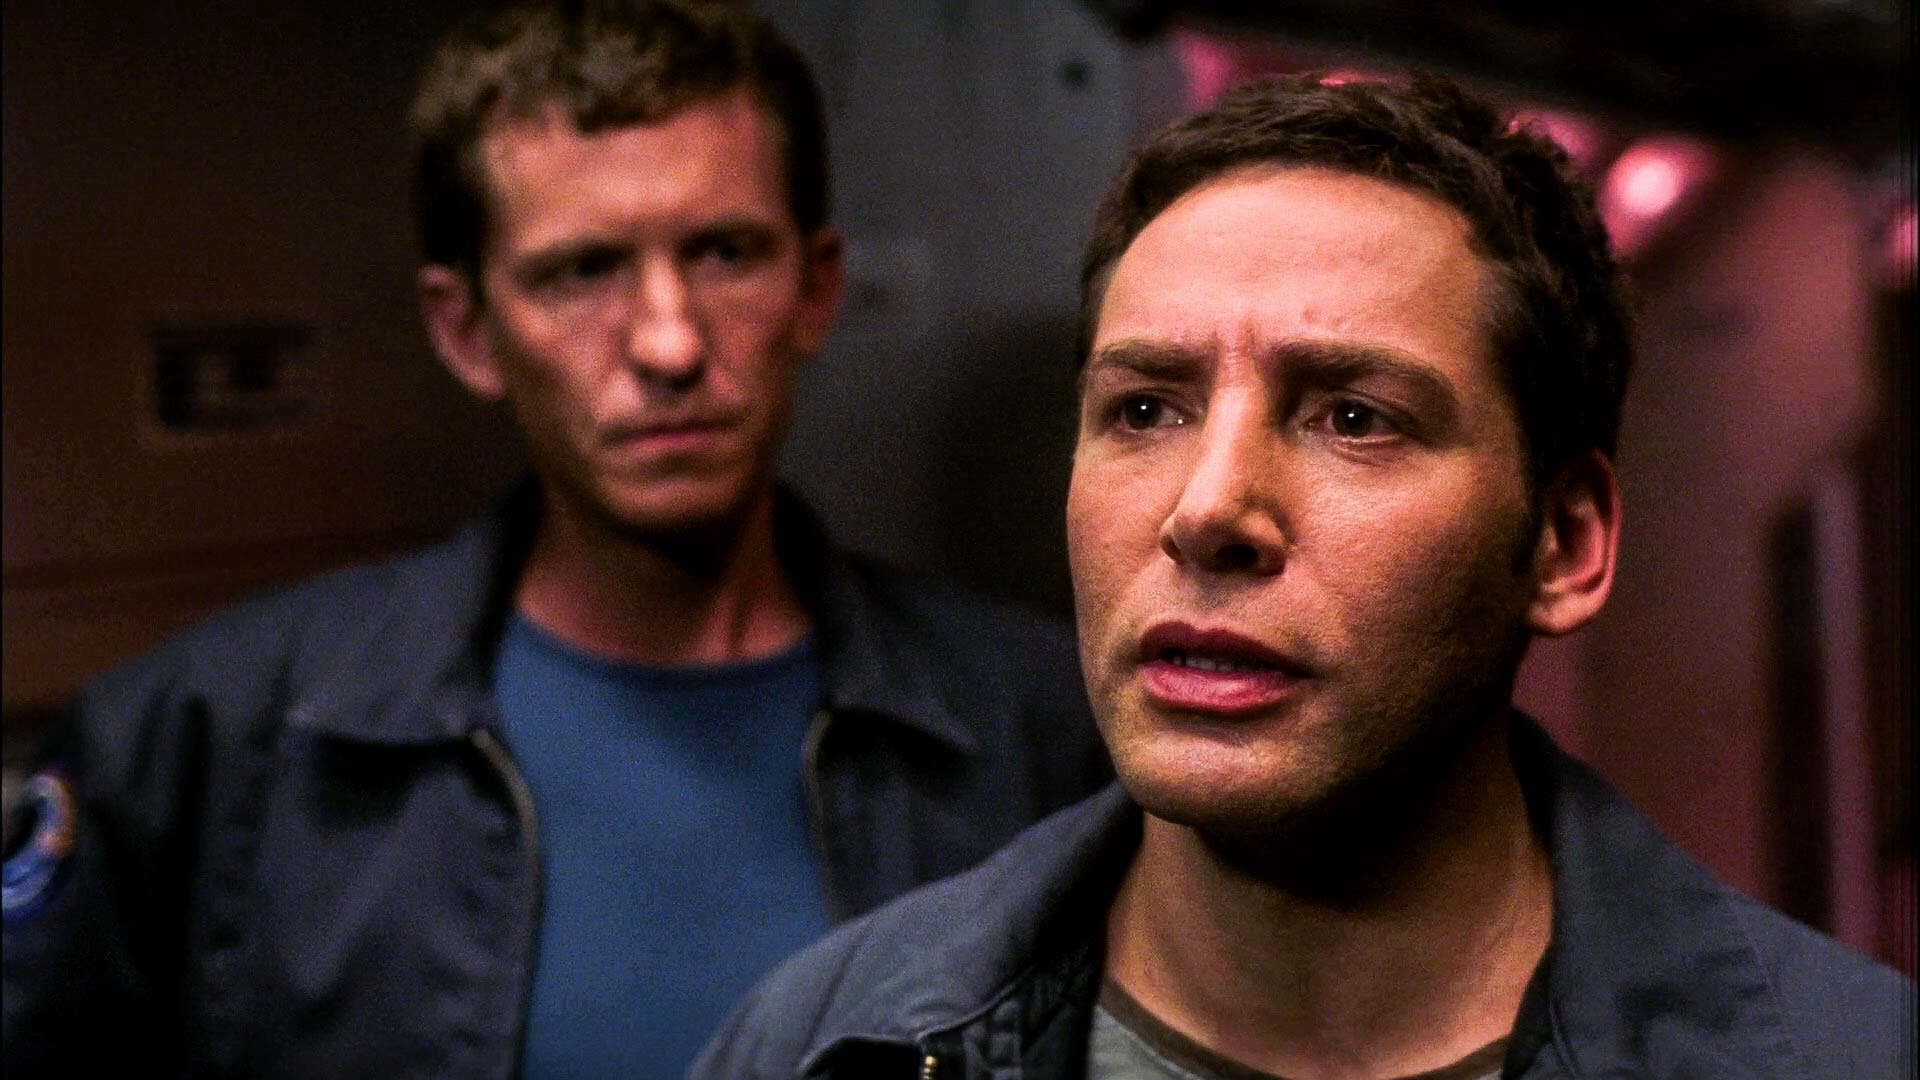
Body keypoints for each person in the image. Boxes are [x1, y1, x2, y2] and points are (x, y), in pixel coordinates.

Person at [693, 71, 1916, 1079]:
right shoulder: (828, 1046)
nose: (1208, 509)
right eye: (1145, 409)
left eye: (1354, 417)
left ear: (1565, 540)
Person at [0, 1, 1109, 1075]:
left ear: (815, 289)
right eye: (582, 271)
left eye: (725, 252)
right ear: (467, 330)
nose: (669, 343)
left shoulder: (1042, 731)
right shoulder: (209, 744)